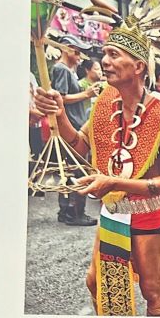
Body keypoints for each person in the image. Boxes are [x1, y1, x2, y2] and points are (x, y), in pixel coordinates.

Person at [33, 21, 160, 316]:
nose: (105, 61)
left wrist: (113, 183)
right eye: (105, 53)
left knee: (152, 292)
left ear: (139, 66)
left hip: (146, 213)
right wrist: (60, 114)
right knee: (97, 283)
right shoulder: (104, 102)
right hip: (113, 212)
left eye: (114, 54)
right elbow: (80, 145)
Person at [49, 36, 102, 226]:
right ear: (67, 49)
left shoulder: (68, 70)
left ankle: (67, 210)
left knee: (70, 169)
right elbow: (60, 98)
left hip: (75, 124)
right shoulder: (61, 69)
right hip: (71, 125)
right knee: (77, 170)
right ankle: (74, 212)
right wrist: (86, 94)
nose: (80, 57)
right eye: (77, 52)